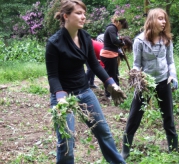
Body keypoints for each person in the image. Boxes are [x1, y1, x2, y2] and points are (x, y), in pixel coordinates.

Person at [45, 0, 126, 163]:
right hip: (63, 96)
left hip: (84, 92)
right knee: (66, 142)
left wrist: (110, 82)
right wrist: (61, 97)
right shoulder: (54, 43)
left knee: (104, 133)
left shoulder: (85, 37)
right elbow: (53, 76)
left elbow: (94, 65)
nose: (83, 17)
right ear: (66, 16)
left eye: (84, 14)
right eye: (78, 13)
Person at [121, 8, 178, 159]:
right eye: (160, 18)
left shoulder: (166, 40)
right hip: (145, 83)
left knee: (168, 116)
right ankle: (125, 149)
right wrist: (135, 76)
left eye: (165, 19)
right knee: (135, 115)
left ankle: (173, 148)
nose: (164, 21)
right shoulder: (139, 41)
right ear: (152, 20)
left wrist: (173, 75)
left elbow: (170, 61)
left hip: (163, 80)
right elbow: (136, 64)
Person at [100, 16, 128, 98]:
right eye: (121, 27)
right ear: (119, 23)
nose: (120, 29)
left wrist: (120, 41)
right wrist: (122, 43)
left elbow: (115, 41)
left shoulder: (113, 29)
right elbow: (114, 41)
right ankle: (110, 94)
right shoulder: (112, 28)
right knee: (110, 75)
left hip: (111, 54)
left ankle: (115, 91)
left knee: (114, 74)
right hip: (108, 55)